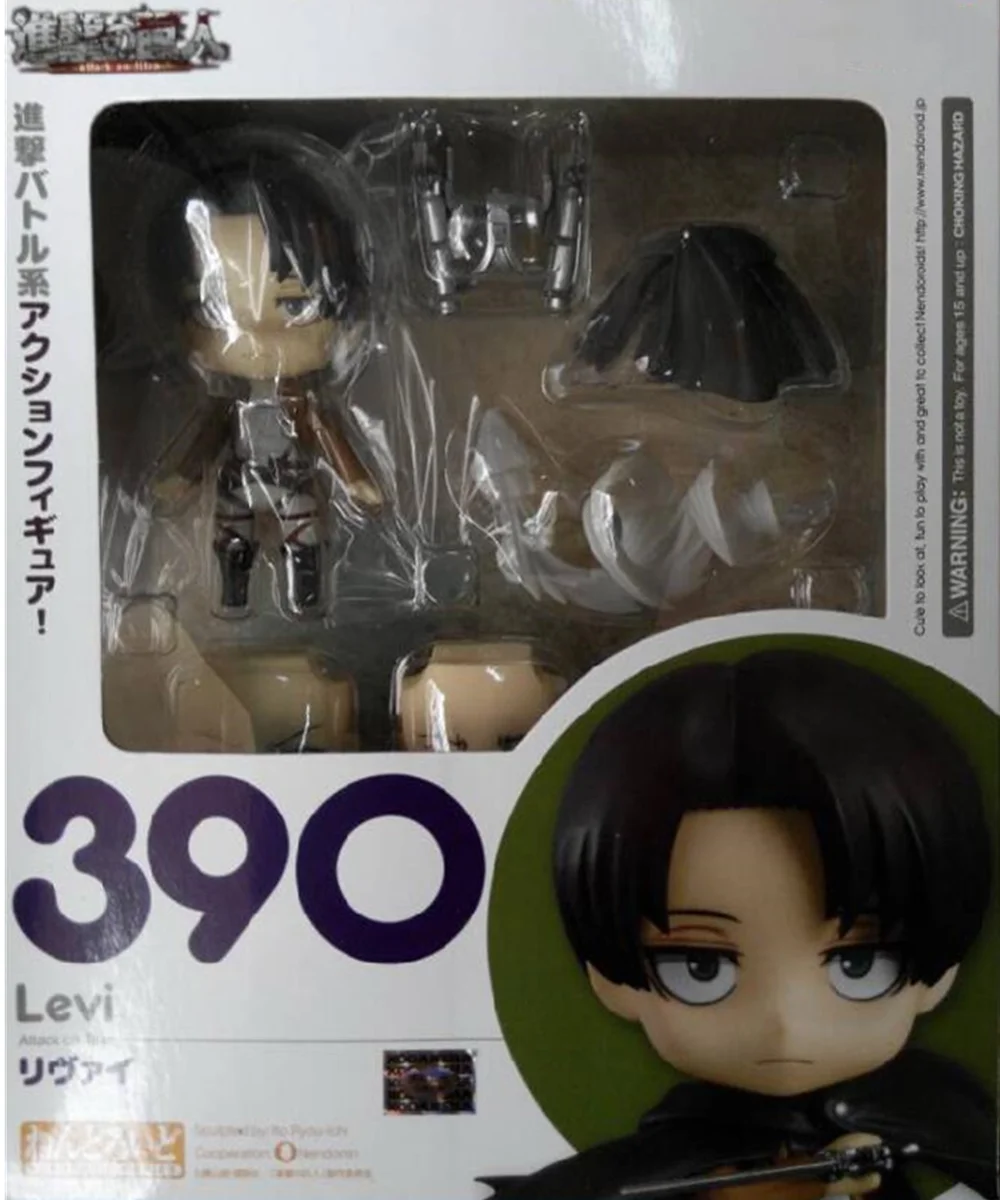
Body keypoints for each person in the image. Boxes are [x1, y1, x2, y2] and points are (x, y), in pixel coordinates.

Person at [487, 650, 994, 1200]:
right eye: (700, 966)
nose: (784, 1021)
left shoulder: (934, 1115)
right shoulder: (659, 1161)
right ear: (612, 980)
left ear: (939, 973)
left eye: (859, 963)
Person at [148, 128, 381, 617]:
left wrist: (354, 478)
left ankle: (306, 588)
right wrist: (182, 478)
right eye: (215, 311)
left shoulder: (300, 398)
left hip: (292, 478)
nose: (257, 334)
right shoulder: (226, 401)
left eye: (295, 306)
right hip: (238, 478)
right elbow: (206, 439)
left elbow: (326, 433)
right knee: (232, 536)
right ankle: (233, 593)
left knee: (304, 534)